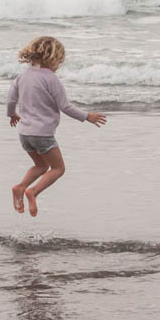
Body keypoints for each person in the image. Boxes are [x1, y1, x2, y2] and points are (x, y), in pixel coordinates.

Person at [7, 36, 106, 217]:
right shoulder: (51, 79)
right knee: (58, 169)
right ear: (52, 58)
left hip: (24, 134)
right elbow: (65, 106)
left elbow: (11, 99)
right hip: (43, 134)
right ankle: (33, 191)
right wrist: (87, 116)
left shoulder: (22, 76)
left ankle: (20, 187)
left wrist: (12, 114)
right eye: (59, 61)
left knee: (40, 165)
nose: (59, 65)